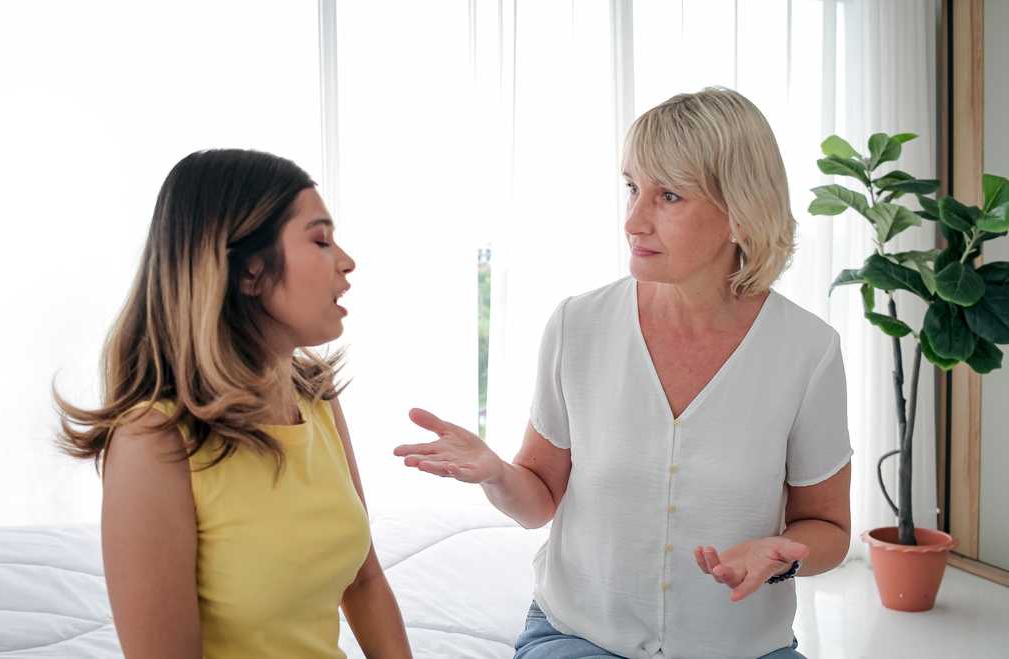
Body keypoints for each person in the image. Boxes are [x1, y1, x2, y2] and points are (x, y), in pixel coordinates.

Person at [395, 88, 852, 659]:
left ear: (741, 211)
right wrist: (494, 473)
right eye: (632, 187)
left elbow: (828, 530)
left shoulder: (807, 350)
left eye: (669, 196)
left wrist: (782, 551)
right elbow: (538, 500)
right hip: (580, 637)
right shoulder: (577, 325)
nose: (634, 220)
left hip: (744, 648)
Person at [56, 149, 411, 659]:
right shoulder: (152, 443)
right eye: (320, 240)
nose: (347, 261)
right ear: (249, 272)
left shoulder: (315, 397)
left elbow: (364, 581)